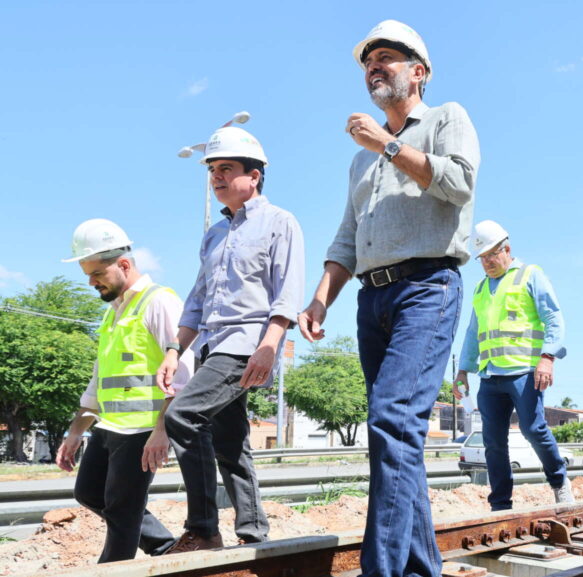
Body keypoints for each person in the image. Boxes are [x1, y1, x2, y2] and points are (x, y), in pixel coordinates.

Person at [297, 20, 479, 577]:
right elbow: (348, 238)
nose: (374, 67)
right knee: (396, 436)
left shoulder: (447, 118)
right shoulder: (360, 160)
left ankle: (382, 571)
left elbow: (459, 183)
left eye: (387, 58)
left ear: (417, 71)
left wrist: (389, 143)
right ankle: (422, 567)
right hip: (372, 303)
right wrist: (320, 299)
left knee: (392, 420)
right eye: (368, 61)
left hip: (427, 288)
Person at [157, 126, 305, 553]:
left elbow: (287, 291)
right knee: (229, 442)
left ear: (254, 175)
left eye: (226, 168)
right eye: (212, 171)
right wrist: (174, 351)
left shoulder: (280, 222)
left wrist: (270, 345)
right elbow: (197, 300)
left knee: (182, 417)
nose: (216, 177)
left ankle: (202, 529)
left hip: (247, 344)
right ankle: (253, 531)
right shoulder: (214, 235)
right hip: (210, 347)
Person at [56, 219, 193, 562]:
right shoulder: (113, 314)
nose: (91, 282)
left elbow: (184, 374)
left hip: (143, 429)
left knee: (121, 508)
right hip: (109, 426)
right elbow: (99, 382)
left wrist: (163, 429)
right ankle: (163, 546)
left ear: (124, 264)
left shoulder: (159, 302)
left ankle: (111, 571)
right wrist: (75, 432)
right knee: (89, 492)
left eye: (96, 273)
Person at [453, 220, 573, 511]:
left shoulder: (530, 276)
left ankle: (559, 481)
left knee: (534, 429)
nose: (486, 263)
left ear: (506, 249)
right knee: (493, 442)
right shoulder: (481, 289)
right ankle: (501, 504)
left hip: (525, 372)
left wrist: (548, 357)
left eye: (491, 256)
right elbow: (473, 333)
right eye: (481, 259)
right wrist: (463, 370)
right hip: (491, 376)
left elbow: (553, 318)